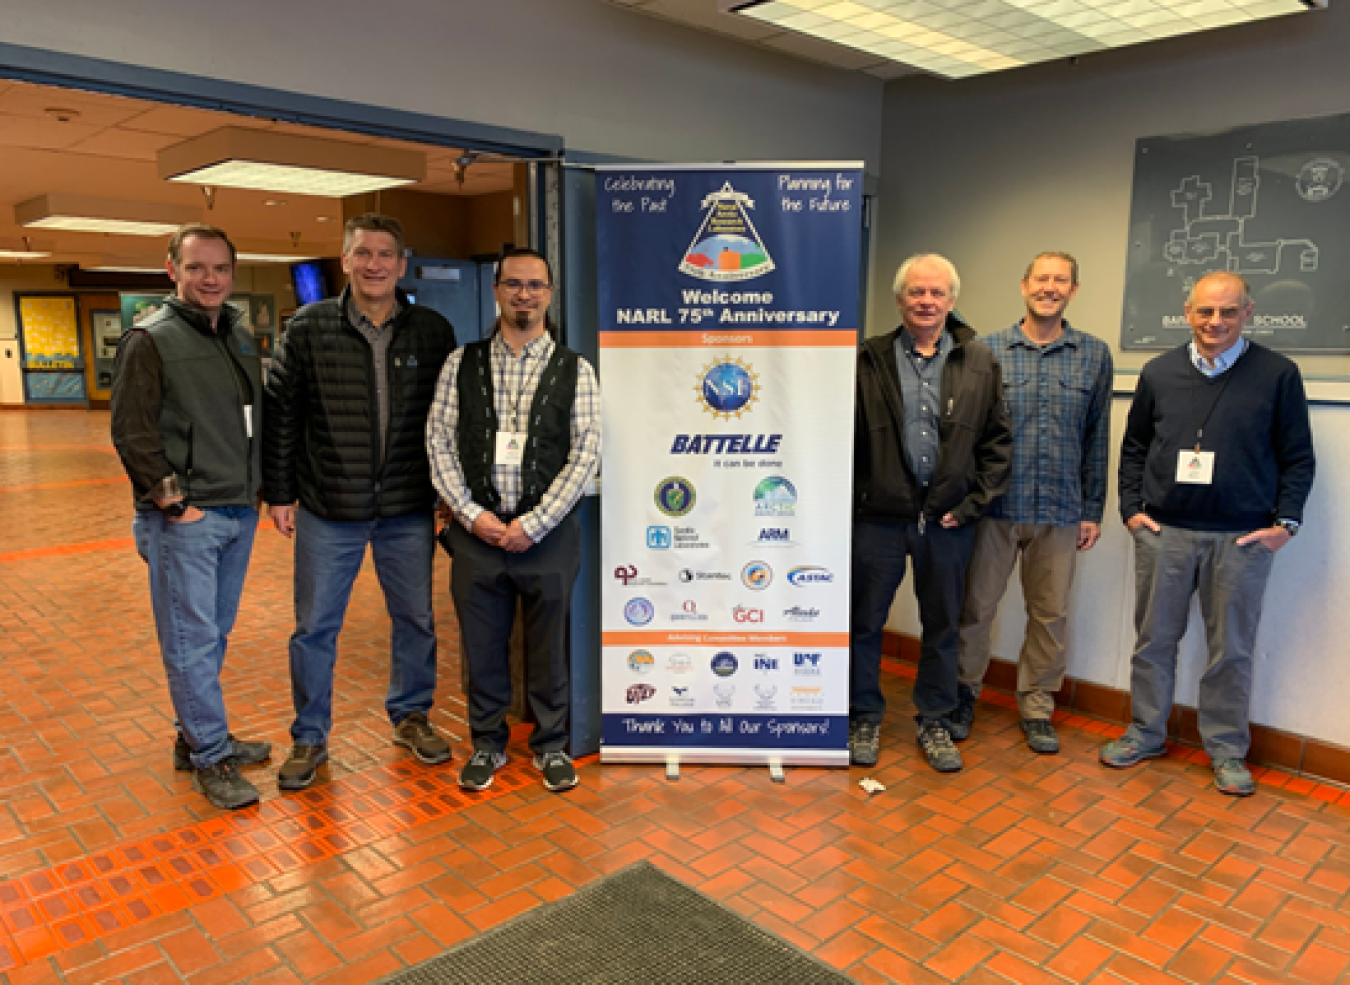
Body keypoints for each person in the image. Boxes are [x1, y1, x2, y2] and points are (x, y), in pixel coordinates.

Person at [263, 213, 458, 790]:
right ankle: (309, 736)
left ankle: (412, 715)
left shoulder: (432, 330)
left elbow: (448, 422)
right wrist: (279, 492)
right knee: (315, 628)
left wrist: (447, 493)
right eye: (362, 253)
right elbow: (281, 416)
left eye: (385, 254)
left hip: (406, 507)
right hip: (329, 507)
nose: (374, 264)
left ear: (402, 263)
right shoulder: (307, 328)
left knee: (416, 619)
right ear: (344, 260)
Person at [1102, 271, 1315, 796]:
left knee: (1232, 650)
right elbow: (1134, 448)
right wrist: (1132, 510)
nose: (1214, 322)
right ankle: (1146, 733)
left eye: (1227, 311)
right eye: (1204, 311)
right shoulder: (1158, 372)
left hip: (1242, 538)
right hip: (1165, 532)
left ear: (1248, 312)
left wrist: (1285, 524)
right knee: (1154, 642)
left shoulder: (1278, 374)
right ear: (1187, 311)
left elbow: (1297, 458)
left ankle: (1224, 750)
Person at [426, 247, 600, 793]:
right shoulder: (461, 363)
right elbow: (439, 443)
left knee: (550, 645)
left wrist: (537, 523)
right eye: (514, 284)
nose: (525, 294)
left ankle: (551, 745)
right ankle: (487, 743)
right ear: (498, 290)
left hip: (548, 537)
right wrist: (474, 517)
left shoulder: (576, 370)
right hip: (477, 536)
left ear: (549, 294)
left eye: (535, 285)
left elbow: (586, 452)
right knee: (482, 645)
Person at [111, 223, 270, 810]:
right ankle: (210, 757)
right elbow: (132, 431)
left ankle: (193, 736)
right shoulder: (149, 339)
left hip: (236, 509)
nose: (210, 279)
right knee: (191, 639)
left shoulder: (238, 335)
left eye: (221, 269)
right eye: (197, 267)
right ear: (172, 269)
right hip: (188, 519)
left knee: (212, 633)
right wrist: (173, 503)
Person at [850, 254, 1012, 773]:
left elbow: (997, 443)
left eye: (936, 293)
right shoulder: (867, 359)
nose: (926, 301)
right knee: (864, 623)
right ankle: (863, 716)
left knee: (943, 625)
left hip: (948, 523)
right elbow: (842, 440)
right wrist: (859, 499)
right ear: (899, 301)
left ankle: (936, 719)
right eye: (916, 293)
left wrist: (970, 506)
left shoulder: (980, 361)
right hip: (878, 520)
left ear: (951, 300)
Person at [953, 253, 1113, 754]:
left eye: (1060, 280)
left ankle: (1038, 705)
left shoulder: (1093, 354)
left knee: (1050, 615)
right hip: (996, 510)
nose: (1049, 287)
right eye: (1041, 279)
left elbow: (1098, 436)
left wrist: (1092, 508)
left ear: (1073, 289)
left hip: (1061, 510)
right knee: (976, 609)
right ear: (1024, 285)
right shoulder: (987, 350)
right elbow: (968, 435)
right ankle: (963, 695)